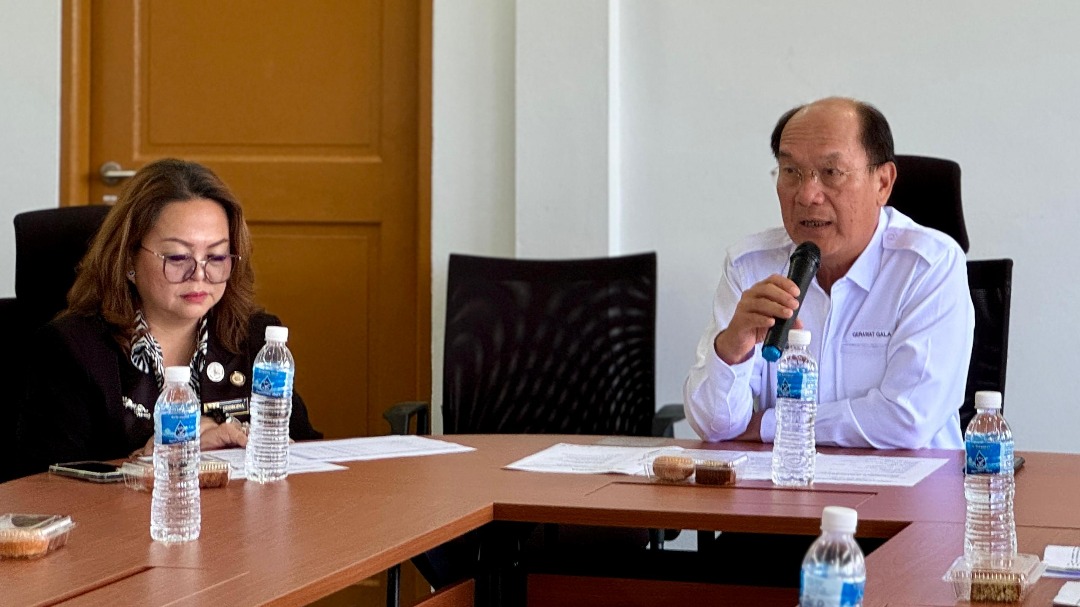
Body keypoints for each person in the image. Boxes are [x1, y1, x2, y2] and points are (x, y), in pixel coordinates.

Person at [684, 97, 974, 449]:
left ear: (883, 183)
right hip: (786, 480)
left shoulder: (928, 266)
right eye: (791, 171)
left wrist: (768, 425)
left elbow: (908, 419)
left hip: (910, 483)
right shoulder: (751, 266)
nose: (807, 195)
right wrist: (733, 347)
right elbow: (714, 425)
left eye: (831, 172)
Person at [17, 158, 321, 473]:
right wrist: (150, 458)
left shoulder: (257, 338)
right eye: (177, 257)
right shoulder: (71, 350)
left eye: (216, 256)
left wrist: (266, 448)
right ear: (128, 258)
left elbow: (308, 453)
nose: (199, 274)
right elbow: (41, 484)